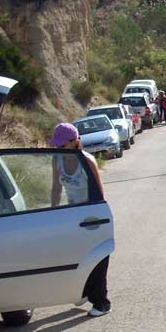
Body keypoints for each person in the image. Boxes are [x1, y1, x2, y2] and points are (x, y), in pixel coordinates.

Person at [49, 123, 111, 317]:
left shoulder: (88, 161)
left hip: (91, 216)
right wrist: (52, 213)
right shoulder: (56, 160)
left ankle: (101, 302)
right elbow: (56, 189)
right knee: (75, 257)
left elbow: (99, 193)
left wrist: (94, 219)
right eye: (56, 144)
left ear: (74, 141)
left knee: (97, 258)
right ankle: (84, 292)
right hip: (70, 215)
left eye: (62, 144)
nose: (58, 148)